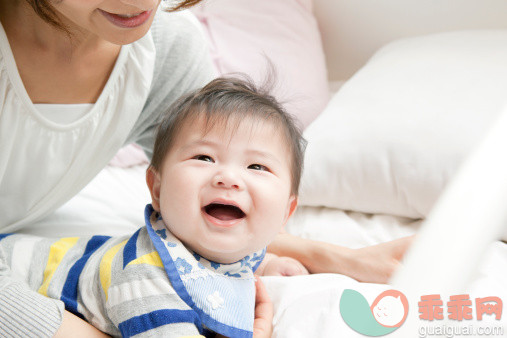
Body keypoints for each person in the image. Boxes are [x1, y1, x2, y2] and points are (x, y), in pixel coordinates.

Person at [0, 0, 411, 336]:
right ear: (151, 187)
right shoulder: (138, 275)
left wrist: (333, 257)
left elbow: (204, 200)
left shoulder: (164, 46)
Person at [0, 76, 310, 337]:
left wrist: (265, 264)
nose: (228, 178)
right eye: (204, 157)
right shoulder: (145, 277)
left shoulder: (228, 249)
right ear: (157, 189)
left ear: (286, 211)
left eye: (257, 166)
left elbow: (226, 259)